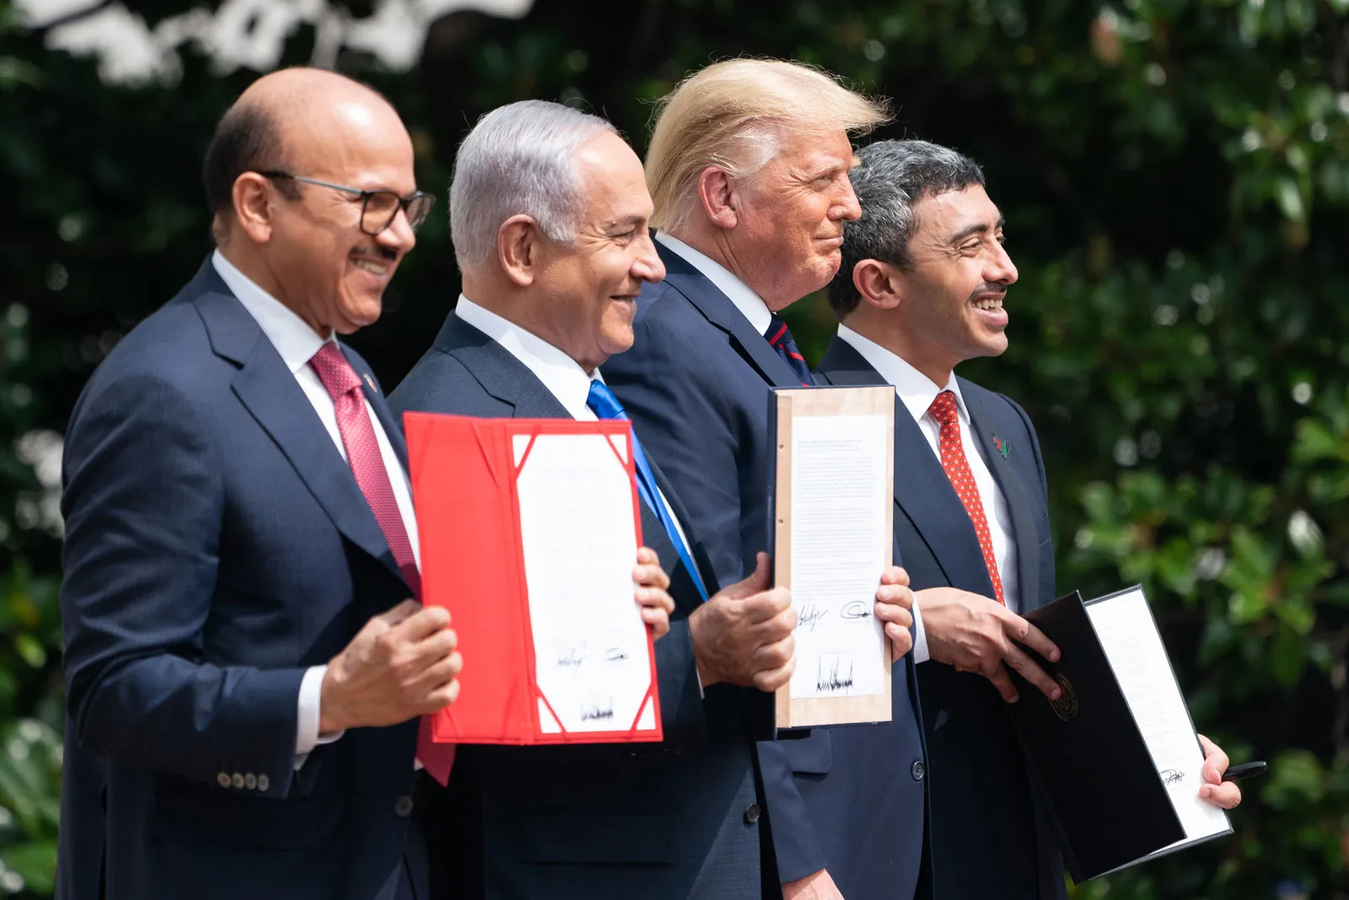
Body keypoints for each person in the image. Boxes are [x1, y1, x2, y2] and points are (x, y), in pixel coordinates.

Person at [387, 99, 914, 900]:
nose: (654, 264)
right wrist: (699, 654)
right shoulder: (456, 415)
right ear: (522, 248)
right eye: (622, 235)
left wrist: (807, 623)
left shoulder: (587, 395)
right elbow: (485, 712)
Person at [57, 68, 467, 900]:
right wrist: (329, 699)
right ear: (256, 204)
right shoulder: (163, 390)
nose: (400, 237)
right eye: (369, 202)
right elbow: (113, 689)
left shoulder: (349, 373)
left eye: (409, 207)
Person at [815, 138, 1244, 899]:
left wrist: (1162, 753)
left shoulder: (1002, 423)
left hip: (1022, 852)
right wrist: (912, 627)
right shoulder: (807, 420)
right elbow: (777, 637)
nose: (1004, 268)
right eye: (969, 244)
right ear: (878, 282)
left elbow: (1035, 649)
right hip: (882, 861)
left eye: (999, 236)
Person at [600, 59, 924, 900]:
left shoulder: (741, 336)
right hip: (766, 841)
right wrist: (798, 862)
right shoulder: (667, 342)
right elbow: (729, 623)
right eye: (823, 180)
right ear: (722, 197)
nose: (851, 209)